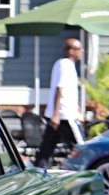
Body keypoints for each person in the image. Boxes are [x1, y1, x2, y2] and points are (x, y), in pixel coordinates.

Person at [36, 37, 84, 167]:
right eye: (79, 49)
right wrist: (56, 114)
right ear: (71, 51)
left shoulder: (66, 65)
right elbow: (60, 88)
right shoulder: (65, 64)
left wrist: (77, 108)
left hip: (61, 113)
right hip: (64, 115)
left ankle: (39, 172)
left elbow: (69, 92)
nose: (82, 51)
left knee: (47, 148)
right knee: (80, 147)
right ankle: (86, 171)